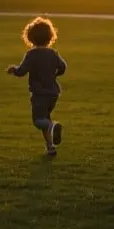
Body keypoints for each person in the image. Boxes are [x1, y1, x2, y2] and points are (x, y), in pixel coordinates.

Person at [6, 17, 67, 157]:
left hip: (39, 94)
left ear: (30, 37)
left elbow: (22, 71)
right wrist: (54, 75)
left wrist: (13, 70)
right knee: (45, 118)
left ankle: (53, 126)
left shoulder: (32, 54)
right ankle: (50, 147)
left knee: (38, 121)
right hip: (53, 93)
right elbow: (63, 67)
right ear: (50, 36)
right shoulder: (53, 53)